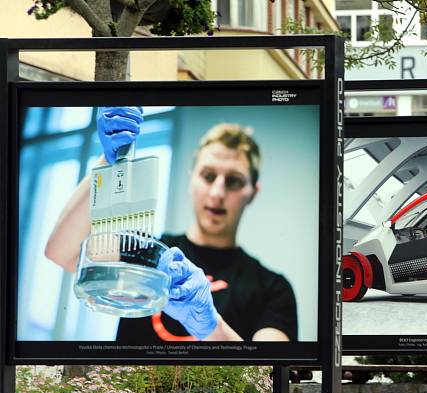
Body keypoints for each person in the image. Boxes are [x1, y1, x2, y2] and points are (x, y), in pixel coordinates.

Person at [45, 106, 297, 342]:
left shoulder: (272, 288)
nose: (217, 193)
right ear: (192, 180)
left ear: (253, 192)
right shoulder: (147, 251)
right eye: (208, 176)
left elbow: (269, 377)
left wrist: (211, 326)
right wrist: (108, 162)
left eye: (233, 181)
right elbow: (63, 252)